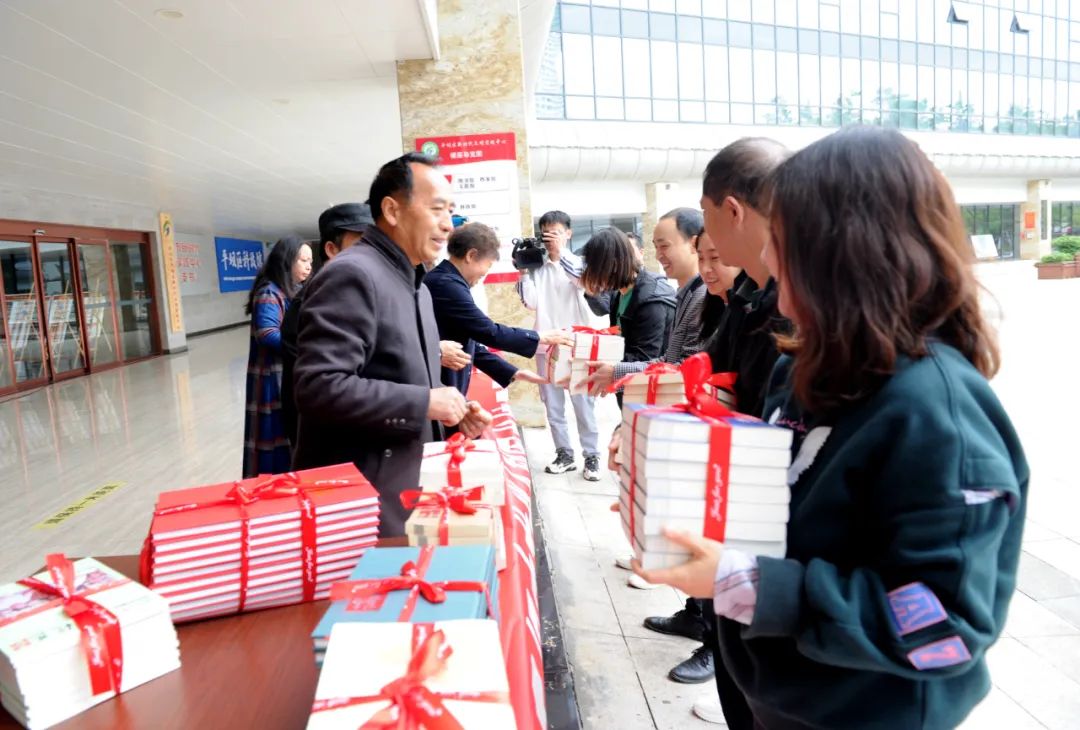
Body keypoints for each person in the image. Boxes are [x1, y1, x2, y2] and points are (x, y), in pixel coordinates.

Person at [634, 126, 1027, 730]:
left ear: (848, 254)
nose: (764, 260)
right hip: (780, 696)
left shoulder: (934, 414)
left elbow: (945, 625)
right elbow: (775, 495)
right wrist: (662, 478)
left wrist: (753, 586)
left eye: (784, 244)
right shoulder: (805, 366)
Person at [640, 138, 790, 724]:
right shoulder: (748, 301)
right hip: (745, 550)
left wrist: (748, 581)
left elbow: (936, 619)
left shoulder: (916, 393)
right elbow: (712, 393)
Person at [292, 153, 490, 537]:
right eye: (436, 209)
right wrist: (425, 402)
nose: (448, 225)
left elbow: (399, 378)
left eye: (450, 211)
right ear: (392, 210)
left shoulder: (417, 287)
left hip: (405, 492)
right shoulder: (354, 274)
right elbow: (318, 387)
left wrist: (453, 415)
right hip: (361, 506)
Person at [424, 222, 570, 395]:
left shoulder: (450, 281)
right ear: (471, 255)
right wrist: (540, 336)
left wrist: (512, 372)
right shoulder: (446, 284)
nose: (485, 273)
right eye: (488, 265)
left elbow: (471, 340)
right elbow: (489, 331)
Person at [585, 209, 709, 397]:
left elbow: (685, 368)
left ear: (694, 244)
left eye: (664, 246)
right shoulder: (684, 294)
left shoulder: (700, 297)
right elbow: (668, 360)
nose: (658, 255)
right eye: (656, 247)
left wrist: (615, 372)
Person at [517, 210, 603, 481]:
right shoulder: (537, 269)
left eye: (555, 231)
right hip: (546, 346)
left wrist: (560, 253)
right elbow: (530, 302)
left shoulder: (578, 264)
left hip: (576, 346)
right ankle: (564, 453)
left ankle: (591, 456)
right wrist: (524, 270)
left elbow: (582, 282)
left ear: (568, 233)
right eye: (546, 232)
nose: (550, 237)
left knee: (583, 404)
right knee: (553, 406)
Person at [280, 203, 372, 449]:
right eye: (362, 244)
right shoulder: (314, 300)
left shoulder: (357, 293)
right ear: (332, 249)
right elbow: (327, 381)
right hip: (324, 433)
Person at [242, 236, 311, 478]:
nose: (308, 266)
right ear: (286, 261)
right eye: (303, 260)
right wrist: (308, 348)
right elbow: (267, 334)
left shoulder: (292, 291)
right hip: (273, 377)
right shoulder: (269, 292)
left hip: (286, 372)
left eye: (310, 261)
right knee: (274, 435)